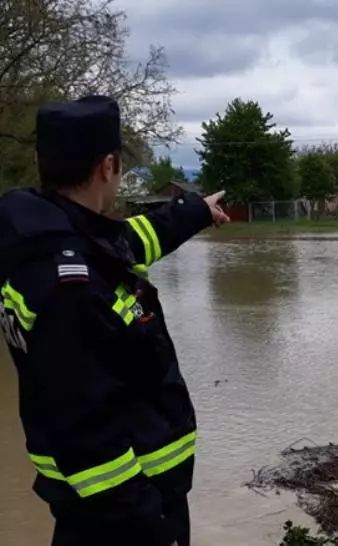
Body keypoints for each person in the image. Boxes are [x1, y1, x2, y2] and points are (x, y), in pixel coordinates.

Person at [0, 96, 230, 546]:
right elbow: (87, 438)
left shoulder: (53, 234)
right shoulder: (72, 285)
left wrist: (195, 211)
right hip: (120, 518)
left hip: (109, 505)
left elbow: (132, 240)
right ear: (108, 165)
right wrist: (148, 525)